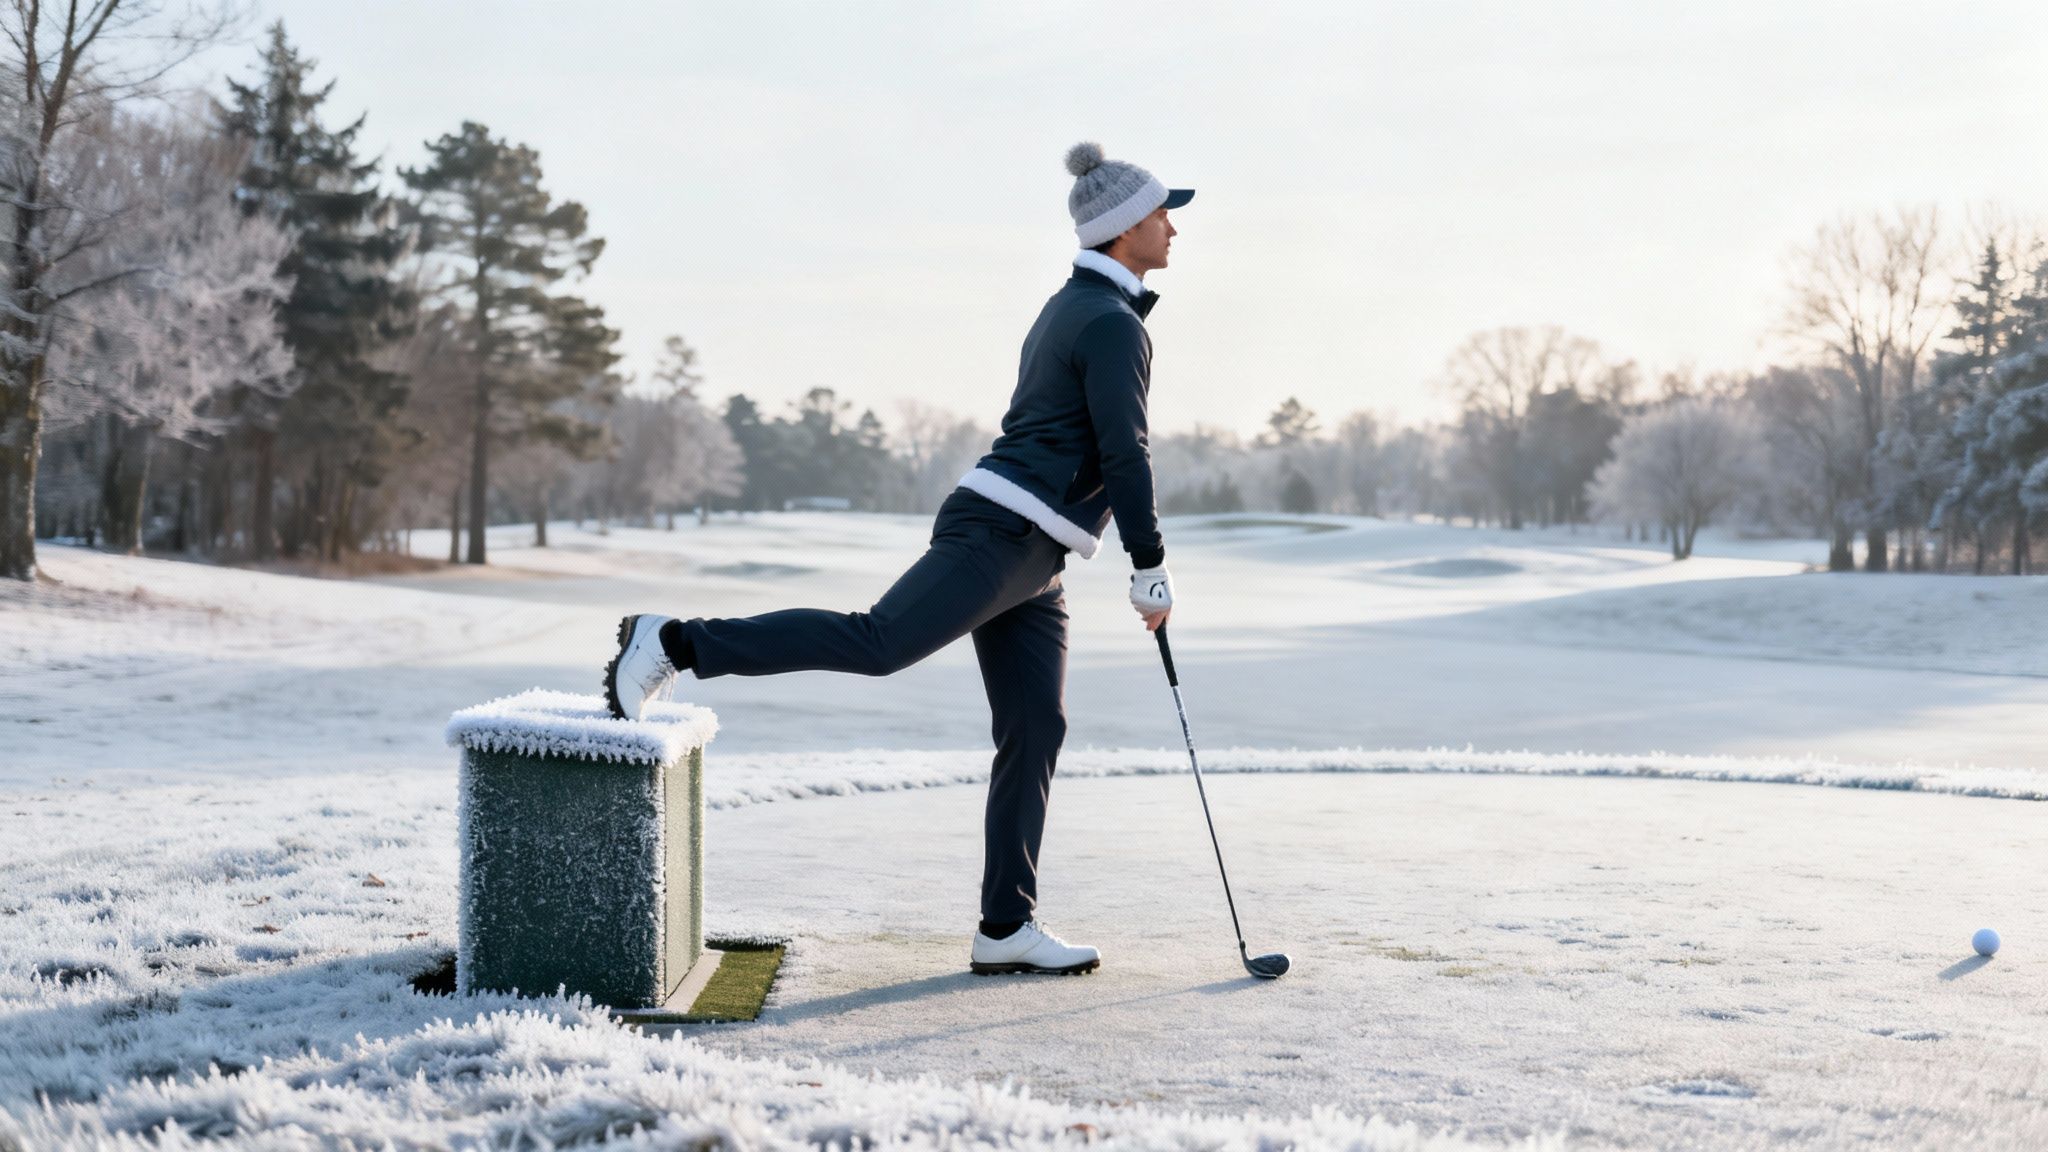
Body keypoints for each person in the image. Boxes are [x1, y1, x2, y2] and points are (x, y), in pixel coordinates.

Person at [605, 141, 1191, 975]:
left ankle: (1005, 927)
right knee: (877, 643)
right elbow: (1125, 452)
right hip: (1000, 534)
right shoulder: (1105, 322)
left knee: (1036, 726)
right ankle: (673, 643)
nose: (1173, 228)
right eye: (1164, 214)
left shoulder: (1086, 307)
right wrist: (1150, 563)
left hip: (1034, 555)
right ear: (1124, 228)